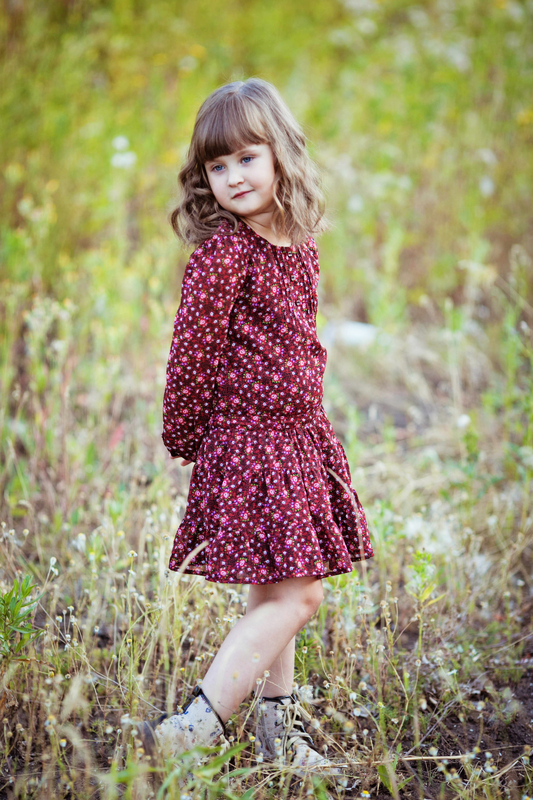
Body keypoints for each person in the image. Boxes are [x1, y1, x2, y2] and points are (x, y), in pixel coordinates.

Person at [143, 78, 374, 776]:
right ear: (203, 177)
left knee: (276, 589)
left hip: (295, 437)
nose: (234, 177)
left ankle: (279, 736)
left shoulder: (297, 244)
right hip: (249, 441)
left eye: (246, 158)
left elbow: (298, 339)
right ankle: (194, 727)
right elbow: (191, 356)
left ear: (279, 155)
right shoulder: (225, 255)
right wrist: (188, 436)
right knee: (302, 594)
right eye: (218, 166)